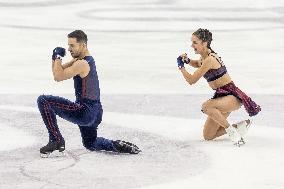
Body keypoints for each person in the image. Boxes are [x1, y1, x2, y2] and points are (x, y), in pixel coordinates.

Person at [37, 30, 141, 157]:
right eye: (68, 45)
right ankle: (117, 145)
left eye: (72, 45)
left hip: (85, 111)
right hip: (96, 112)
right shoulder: (83, 60)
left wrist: (57, 56)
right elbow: (57, 72)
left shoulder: (81, 63)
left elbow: (58, 76)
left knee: (44, 100)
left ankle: (56, 140)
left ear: (83, 45)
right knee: (90, 143)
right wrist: (55, 57)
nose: (69, 49)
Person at [177, 28, 261, 146]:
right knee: (208, 135)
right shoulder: (205, 57)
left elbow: (191, 80)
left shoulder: (210, 59)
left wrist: (181, 67)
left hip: (231, 96)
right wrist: (188, 60)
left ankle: (232, 133)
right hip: (221, 97)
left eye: (195, 42)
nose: (192, 45)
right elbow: (198, 64)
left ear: (204, 43)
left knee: (206, 106)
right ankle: (240, 126)